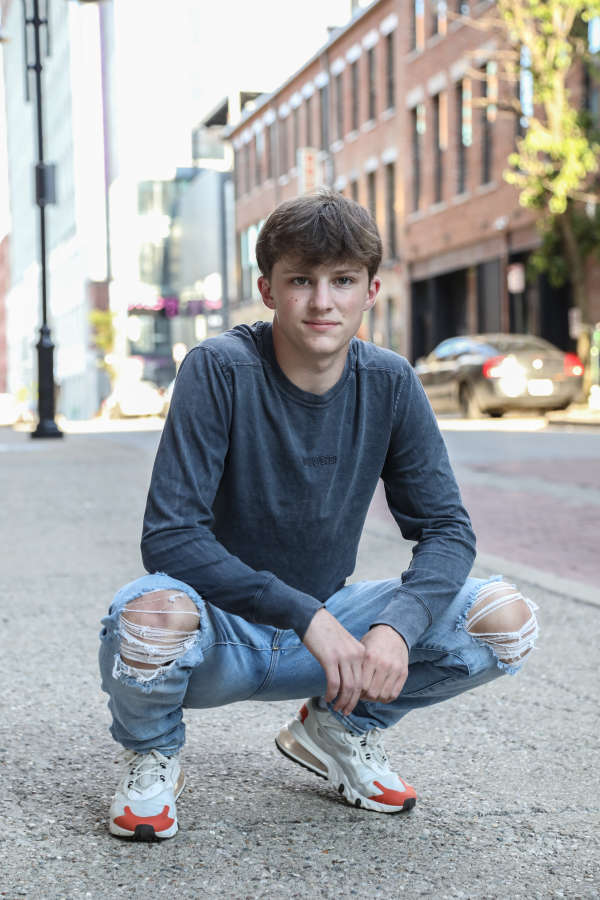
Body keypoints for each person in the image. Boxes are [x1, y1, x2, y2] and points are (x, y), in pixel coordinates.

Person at [99, 190, 539, 841]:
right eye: (301, 280)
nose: (322, 301)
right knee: (147, 618)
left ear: (371, 290)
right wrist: (306, 615)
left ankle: (338, 728)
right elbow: (170, 536)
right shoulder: (219, 370)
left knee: (505, 621)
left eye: (342, 281)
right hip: (223, 633)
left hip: (334, 634)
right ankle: (154, 752)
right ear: (268, 289)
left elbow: (447, 529)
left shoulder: (390, 382)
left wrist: (396, 624)